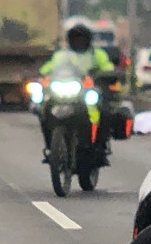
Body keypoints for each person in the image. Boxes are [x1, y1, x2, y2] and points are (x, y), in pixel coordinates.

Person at [38, 23, 116, 163]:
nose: (78, 41)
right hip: (63, 92)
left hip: (86, 92)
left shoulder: (96, 54)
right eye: (75, 38)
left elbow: (107, 67)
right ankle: (51, 145)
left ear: (88, 39)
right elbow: (49, 67)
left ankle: (99, 147)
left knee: (104, 112)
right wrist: (41, 73)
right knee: (42, 109)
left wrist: (107, 73)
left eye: (82, 38)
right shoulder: (61, 55)